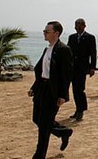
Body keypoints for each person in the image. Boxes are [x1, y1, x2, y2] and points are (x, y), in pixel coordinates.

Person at [28, 21, 73, 158]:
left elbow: (67, 75)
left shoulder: (64, 50)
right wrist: (34, 88)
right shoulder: (47, 49)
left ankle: (39, 155)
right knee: (37, 119)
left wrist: (63, 95)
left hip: (53, 91)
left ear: (56, 33)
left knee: (44, 127)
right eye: (44, 31)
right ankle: (63, 132)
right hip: (42, 88)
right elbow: (42, 72)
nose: (44, 33)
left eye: (47, 31)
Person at [67, 18, 96, 121]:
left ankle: (81, 110)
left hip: (83, 68)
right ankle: (77, 109)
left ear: (84, 26)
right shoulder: (72, 37)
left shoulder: (90, 37)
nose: (78, 27)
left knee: (80, 89)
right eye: (76, 25)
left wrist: (92, 67)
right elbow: (68, 52)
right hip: (72, 67)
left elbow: (93, 53)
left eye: (80, 25)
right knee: (75, 90)